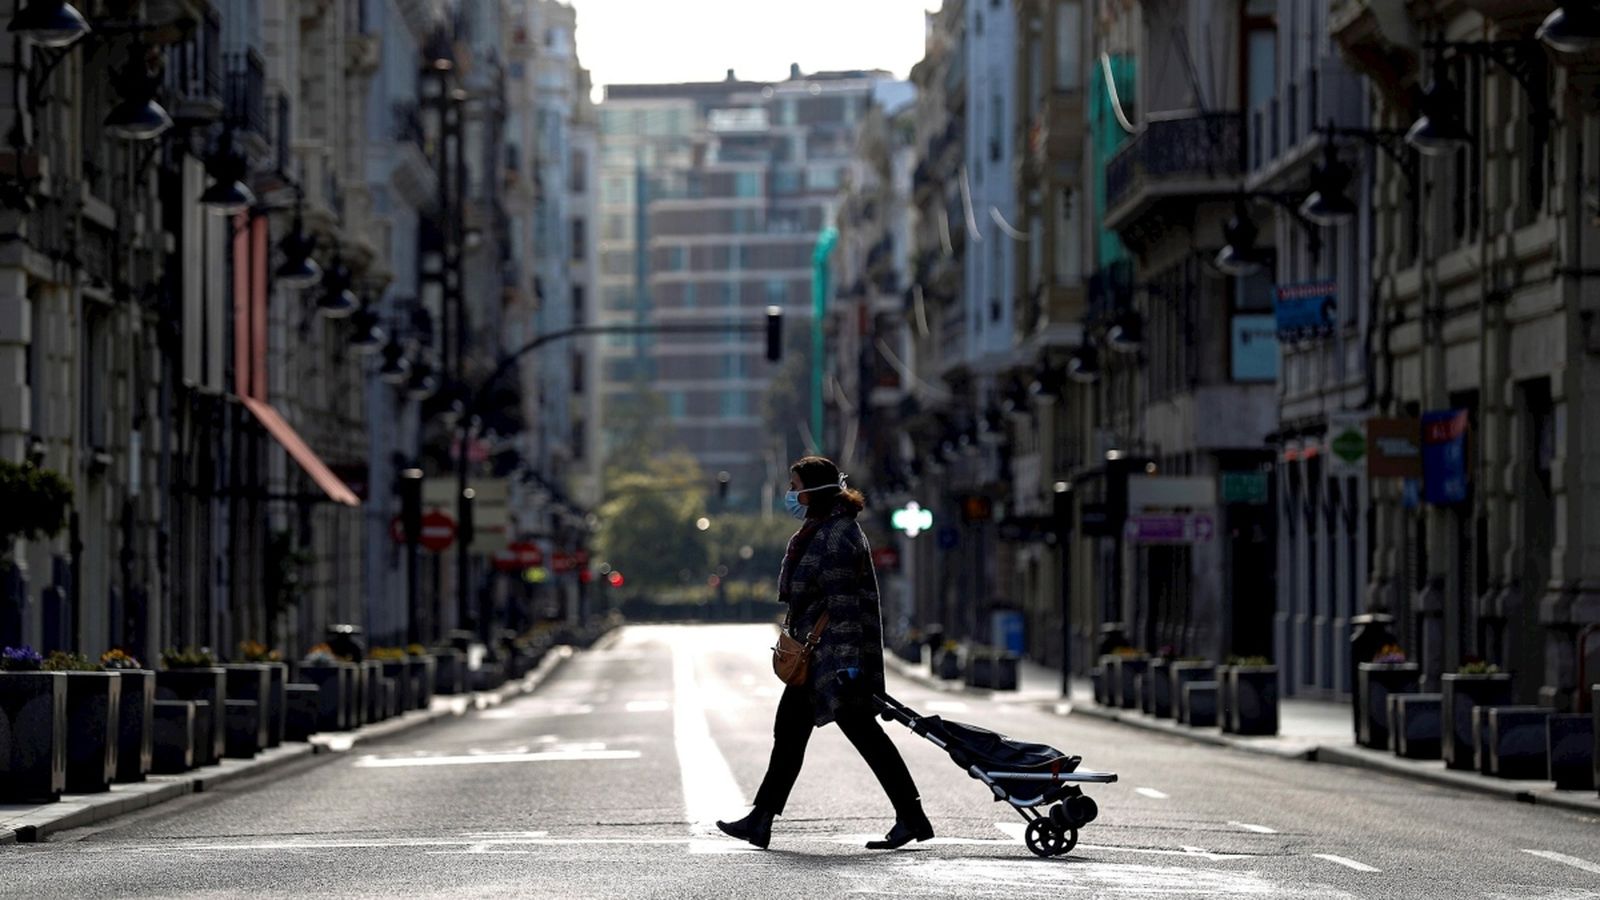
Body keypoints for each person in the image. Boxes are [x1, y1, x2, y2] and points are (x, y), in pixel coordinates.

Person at [716, 455, 934, 851]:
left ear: (815, 491)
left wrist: (849, 664)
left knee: (859, 735)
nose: (791, 495)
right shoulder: (821, 529)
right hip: (820, 657)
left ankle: (911, 815)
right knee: (793, 733)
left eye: (795, 486)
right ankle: (761, 819)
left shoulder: (836, 536)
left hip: (832, 659)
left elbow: (844, 603)